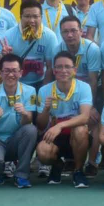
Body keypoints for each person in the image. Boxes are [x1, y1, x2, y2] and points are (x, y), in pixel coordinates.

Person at [36, 51, 94, 188]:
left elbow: (85, 117)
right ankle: (57, 165)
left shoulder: (84, 87)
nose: (63, 70)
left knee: (81, 130)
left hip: (75, 136)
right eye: (59, 67)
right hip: (54, 137)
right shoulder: (44, 90)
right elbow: (40, 125)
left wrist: (59, 126)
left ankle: (78, 171)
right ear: (54, 70)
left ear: (74, 70)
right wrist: (46, 109)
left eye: (67, 67)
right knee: (42, 151)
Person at [0, 54, 38, 188]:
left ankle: (21, 175)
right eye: (6, 71)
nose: (11, 75)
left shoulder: (30, 91)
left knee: (31, 130)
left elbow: (27, 122)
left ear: (21, 73)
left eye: (14, 71)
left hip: (16, 140)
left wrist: (25, 114)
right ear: (0, 73)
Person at [57, 16, 103, 176]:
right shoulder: (58, 48)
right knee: (70, 121)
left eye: (73, 31)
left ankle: (92, 162)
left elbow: (93, 79)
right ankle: (71, 159)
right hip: (68, 91)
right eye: (65, 31)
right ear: (61, 33)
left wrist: (91, 107)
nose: (70, 35)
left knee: (95, 121)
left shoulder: (92, 49)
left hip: (90, 91)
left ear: (81, 31)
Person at [0, 0, 59, 88]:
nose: (31, 20)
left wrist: (43, 90)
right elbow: (0, 67)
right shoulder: (8, 36)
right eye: (27, 16)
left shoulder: (50, 36)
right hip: (16, 83)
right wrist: (4, 56)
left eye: (35, 16)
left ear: (41, 17)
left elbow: (50, 67)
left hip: (40, 82)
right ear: (20, 17)